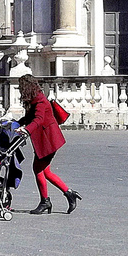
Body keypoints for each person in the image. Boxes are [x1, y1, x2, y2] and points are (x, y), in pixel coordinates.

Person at [19, 74, 80, 214]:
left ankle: (45, 201)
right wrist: (18, 122)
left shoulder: (40, 102)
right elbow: (30, 117)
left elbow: (38, 119)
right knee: (45, 171)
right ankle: (69, 193)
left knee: (38, 169)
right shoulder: (36, 99)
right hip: (47, 140)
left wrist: (26, 130)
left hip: (48, 141)